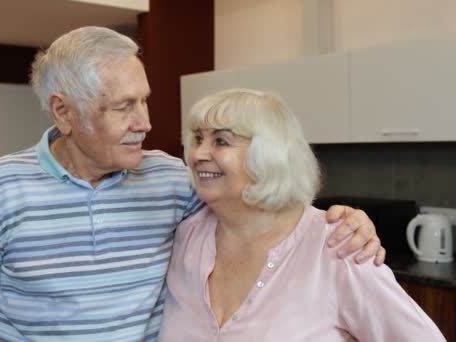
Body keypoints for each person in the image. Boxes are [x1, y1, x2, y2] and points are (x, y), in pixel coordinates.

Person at [0, 27, 384, 341]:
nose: (146, 123)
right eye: (124, 107)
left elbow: (259, 208)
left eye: (145, 101)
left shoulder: (173, 180)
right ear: (63, 112)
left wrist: (342, 219)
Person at [158, 89, 445, 341]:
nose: (197, 154)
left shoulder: (340, 247)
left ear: (268, 153)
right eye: (197, 138)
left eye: (221, 141)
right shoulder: (187, 238)